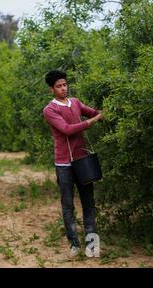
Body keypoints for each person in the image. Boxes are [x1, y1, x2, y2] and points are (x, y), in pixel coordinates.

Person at [42, 70, 103, 259]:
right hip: (64, 165)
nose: (63, 89)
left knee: (89, 203)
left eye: (65, 85)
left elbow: (94, 112)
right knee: (68, 205)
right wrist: (92, 121)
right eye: (59, 86)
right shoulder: (50, 110)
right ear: (52, 89)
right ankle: (74, 245)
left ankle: (92, 246)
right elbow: (67, 130)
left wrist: (103, 112)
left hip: (82, 161)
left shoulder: (75, 102)